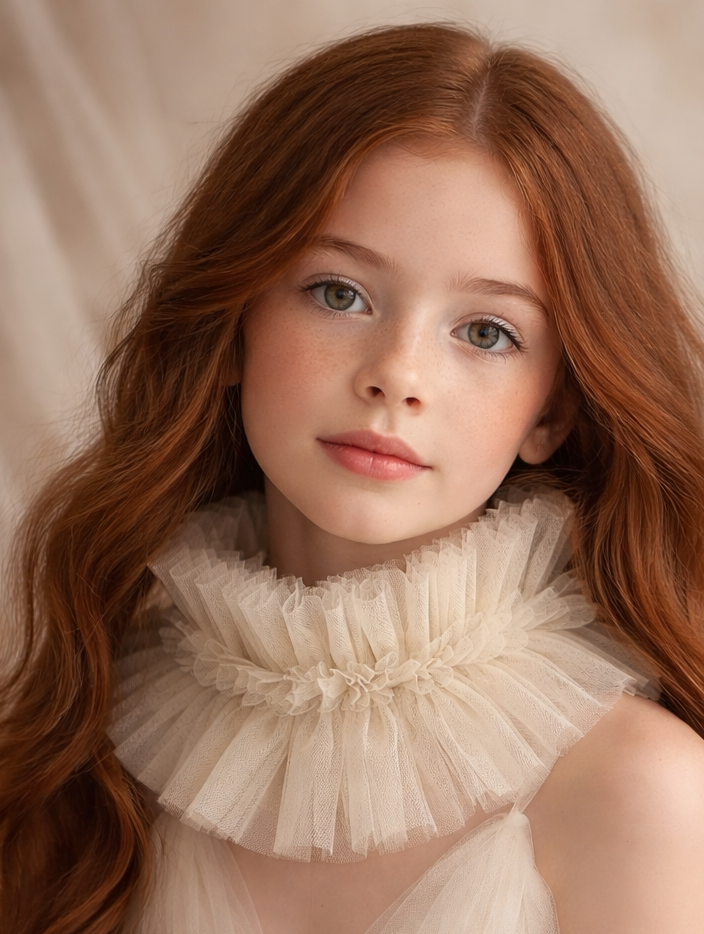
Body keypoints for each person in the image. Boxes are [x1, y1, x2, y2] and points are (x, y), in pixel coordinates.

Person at [2, 21, 704, 934]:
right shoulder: (86, 743)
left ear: (551, 413)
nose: (398, 376)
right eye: (340, 293)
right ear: (231, 324)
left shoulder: (642, 793)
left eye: (486, 332)